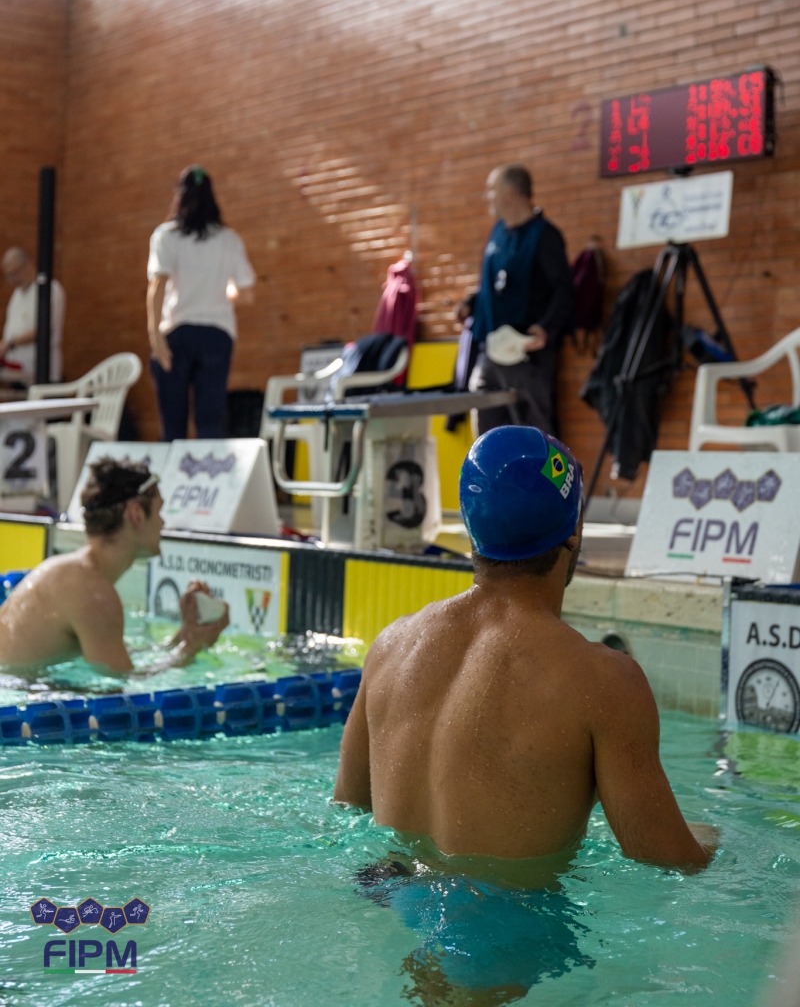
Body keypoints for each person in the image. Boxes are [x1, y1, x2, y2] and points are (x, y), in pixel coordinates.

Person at [335, 427, 716, 1000]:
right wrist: (716, 842)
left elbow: (349, 805)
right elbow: (662, 857)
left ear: (471, 528)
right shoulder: (604, 680)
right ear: (574, 532)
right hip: (502, 928)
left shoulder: (391, 646)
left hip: (391, 893)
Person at [0, 458, 228, 674]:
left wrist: (183, 637)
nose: (163, 522)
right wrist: (192, 648)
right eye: (159, 511)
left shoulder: (67, 571)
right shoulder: (94, 594)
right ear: (137, 514)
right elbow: (125, 688)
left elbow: (118, 659)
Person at [456, 165, 573, 435]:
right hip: (490, 350)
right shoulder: (497, 232)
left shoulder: (544, 235)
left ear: (509, 193)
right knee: (487, 433)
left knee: (531, 434)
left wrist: (546, 327)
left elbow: (564, 290)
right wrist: (471, 303)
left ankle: (540, 466)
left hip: (525, 353)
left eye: (491, 190)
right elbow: (496, 285)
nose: (487, 197)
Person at [147, 166, 256, 441]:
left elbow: (157, 286)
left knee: (173, 426)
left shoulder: (166, 236)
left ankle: (172, 470)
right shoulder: (228, 239)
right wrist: (226, 291)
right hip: (216, 335)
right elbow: (247, 294)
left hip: (177, 333)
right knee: (210, 423)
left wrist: (155, 336)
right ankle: (209, 470)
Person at [0, 247, 66, 385]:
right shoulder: (17, 294)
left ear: (28, 265)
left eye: (15, 273)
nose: (12, 279)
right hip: (18, 372)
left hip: (42, 372)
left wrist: (9, 344)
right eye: (9, 275)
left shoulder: (49, 289)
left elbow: (44, 330)